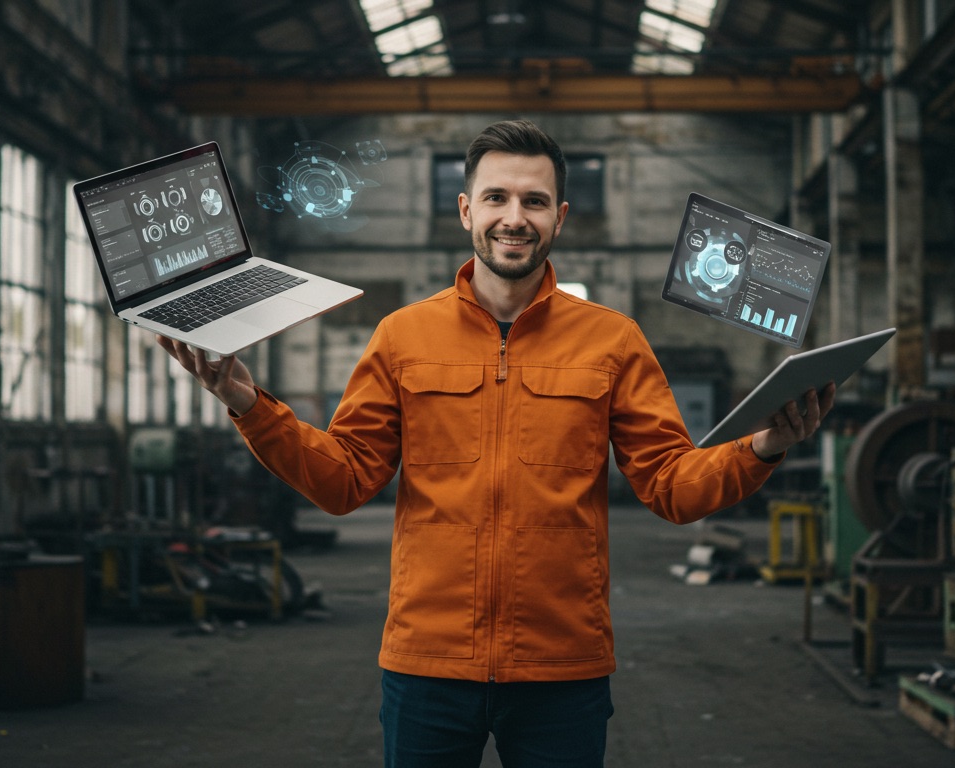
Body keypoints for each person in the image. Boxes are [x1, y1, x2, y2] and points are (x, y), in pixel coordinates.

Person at [158, 119, 835, 768]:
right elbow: (344, 481)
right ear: (465, 211)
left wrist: (765, 445)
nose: (515, 216)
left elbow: (669, 487)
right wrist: (248, 403)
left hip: (562, 667)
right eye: (497, 198)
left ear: (560, 218)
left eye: (534, 201)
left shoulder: (612, 339)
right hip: (428, 665)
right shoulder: (402, 336)